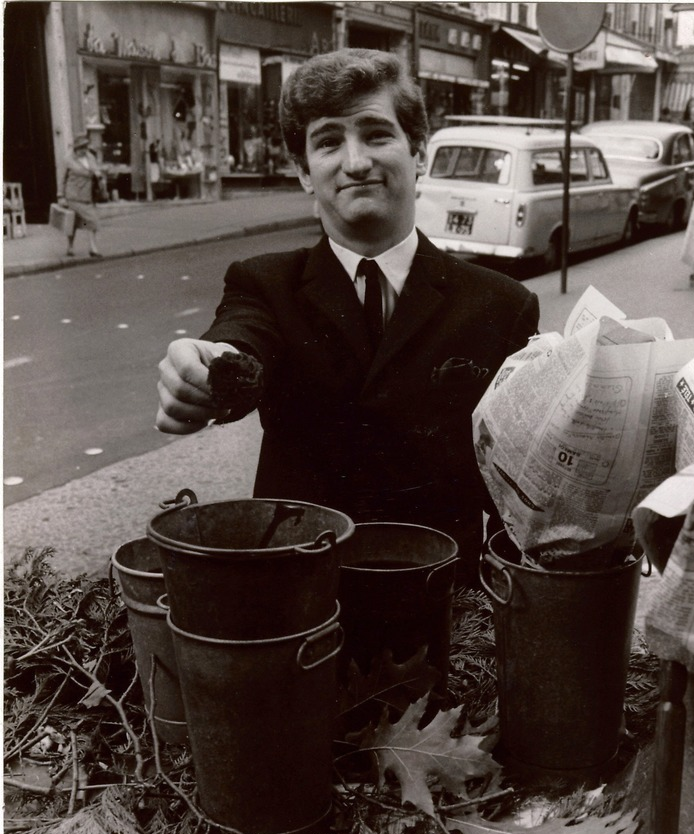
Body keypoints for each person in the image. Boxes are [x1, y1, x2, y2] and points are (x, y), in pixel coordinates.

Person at [155, 49, 540, 580]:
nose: (356, 162)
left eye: (377, 134)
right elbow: (241, 338)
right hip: (298, 604)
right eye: (328, 141)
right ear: (303, 172)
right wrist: (209, 368)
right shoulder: (263, 283)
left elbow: (516, 498)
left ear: (419, 151)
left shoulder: (502, 304)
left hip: (442, 607)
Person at [59, 133, 104, 257]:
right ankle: (70, 247)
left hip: (87, 196)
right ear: (75, 149)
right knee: (72, 223)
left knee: (93, 221)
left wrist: (98, 174)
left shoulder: (90, 157)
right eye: (80, 148)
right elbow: (62, 178)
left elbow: (96, 170)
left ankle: (93, 248)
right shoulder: (68, 159)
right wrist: (60, 196)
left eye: (84, 147)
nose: (82, 151)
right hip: (73, 196)